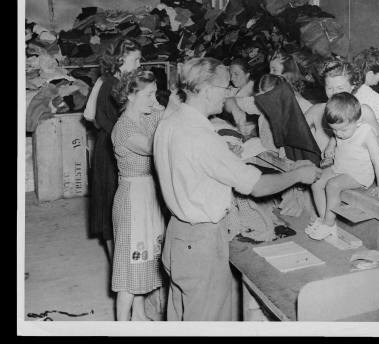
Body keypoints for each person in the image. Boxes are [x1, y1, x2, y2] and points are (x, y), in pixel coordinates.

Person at [153, 57, 322, 321]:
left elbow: (194, 167)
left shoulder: (170, 123)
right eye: (225, 88)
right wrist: (299, 174)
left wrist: (226, 159)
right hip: (202, 242)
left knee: (180, 316)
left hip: (177, 235)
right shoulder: (203, 138)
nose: (229, 93)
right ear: (207, 90)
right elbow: (256, 187)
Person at [110, 69, 165, 321]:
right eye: (149, 94)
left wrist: (161, 108)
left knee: (146, 257)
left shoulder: (148, 116)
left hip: (148, 193)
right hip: (132, 197)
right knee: (128, 263)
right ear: (131, 95)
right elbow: (153, 147)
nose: (153, 99)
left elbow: (165, 121)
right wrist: (166, 110)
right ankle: (121, 323)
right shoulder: (123, 127)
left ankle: (139, 315)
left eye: (155, 93)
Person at [306, 92, 379, 240]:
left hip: (359, 175)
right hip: (340, 168)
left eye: (343, 130)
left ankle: (329, 223)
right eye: (334, 130)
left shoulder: (367, 133)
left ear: (357, 121)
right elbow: (335, 138)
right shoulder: (340, 130)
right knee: (316, 183)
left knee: (333, 185)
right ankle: (325, 220)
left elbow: (378, 162)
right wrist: (330, 147)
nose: (339, 134)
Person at [88, 38, 142, 263]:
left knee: (114, 208)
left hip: (110, 146)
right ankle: (118, 266)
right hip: (112, 151)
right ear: (120, 60)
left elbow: (95, 117)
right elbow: (109, 120)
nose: (140, 64)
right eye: (136, 59)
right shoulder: (112, 85)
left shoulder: (113, 81)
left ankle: (118, 264)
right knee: (114, 207)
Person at [305, 60, 379, 157]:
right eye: (329, 88)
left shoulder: (364, 111)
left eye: (340, 88)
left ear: (353, 85)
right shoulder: (327, 109)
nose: (334, 93)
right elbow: (338, 133)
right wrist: (330, 146)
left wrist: (362, 147)